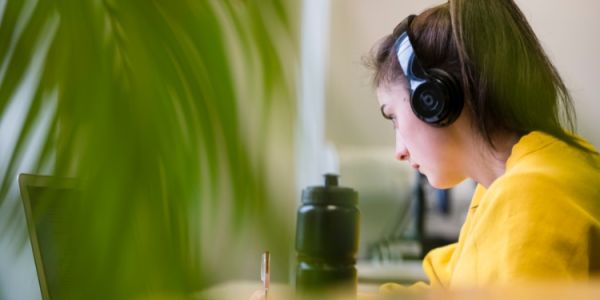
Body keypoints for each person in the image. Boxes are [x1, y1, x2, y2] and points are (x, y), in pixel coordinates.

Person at [369, 0, 600, 293]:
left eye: (394, 118)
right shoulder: (523, 178)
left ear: (432, 99)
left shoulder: (528, 195)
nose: (399, 150)